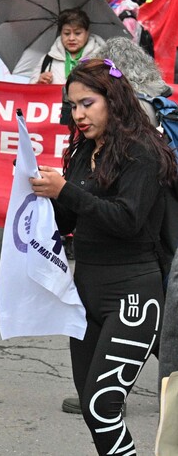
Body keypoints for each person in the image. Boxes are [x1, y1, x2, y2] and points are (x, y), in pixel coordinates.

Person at [30, 58, 175, 455]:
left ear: (113, 100)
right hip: (86, 294)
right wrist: (37, 190)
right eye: (73, 105)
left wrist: (66, 192)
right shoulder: (83, 152)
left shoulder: (143, 152)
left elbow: (127, 219)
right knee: (95, 409)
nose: (78, 114)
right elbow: (68, 219)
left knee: (101, 405)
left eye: (87, 103)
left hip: (133, 294)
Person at [31, 8, 105, 85]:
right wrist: (39, 83)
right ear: (60, 33)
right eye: (66, 33)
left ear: (87, 33)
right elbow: (29, 93)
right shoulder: (48, 60)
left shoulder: (101, 59)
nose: (71, 38)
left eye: (77, 33)